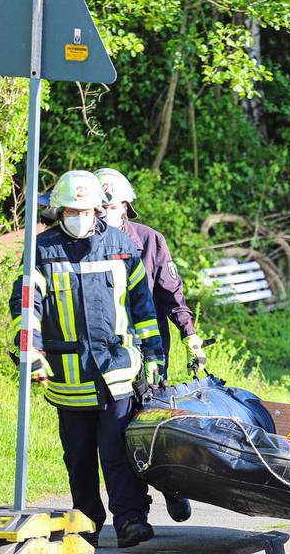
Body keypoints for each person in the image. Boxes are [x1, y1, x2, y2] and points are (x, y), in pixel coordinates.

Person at [8, 170, 165, 548]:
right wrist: (30, 348)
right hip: (68, 377)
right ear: (59, 210)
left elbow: (143, 307)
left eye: (86, 209)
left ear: (98, 209)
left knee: (117, 455)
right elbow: (26, 304)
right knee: (78, 458)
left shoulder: (121, 245)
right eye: (71, 210)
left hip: (117, 373)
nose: (79, 216)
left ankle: (130, 521)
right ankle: (86, 524)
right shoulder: (42, 251)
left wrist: (154, 355)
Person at [95, 167, 207, 522]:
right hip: (107, 356)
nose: (102, 215)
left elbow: (172, 296)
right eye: (98, 208)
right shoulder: (89, 244)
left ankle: (172, 488)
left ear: (125, 206)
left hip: (148, 353)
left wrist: (190, 335)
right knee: (116, 435)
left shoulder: (149, 240)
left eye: (108, 207)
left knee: (149, 426)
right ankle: (133, 510)